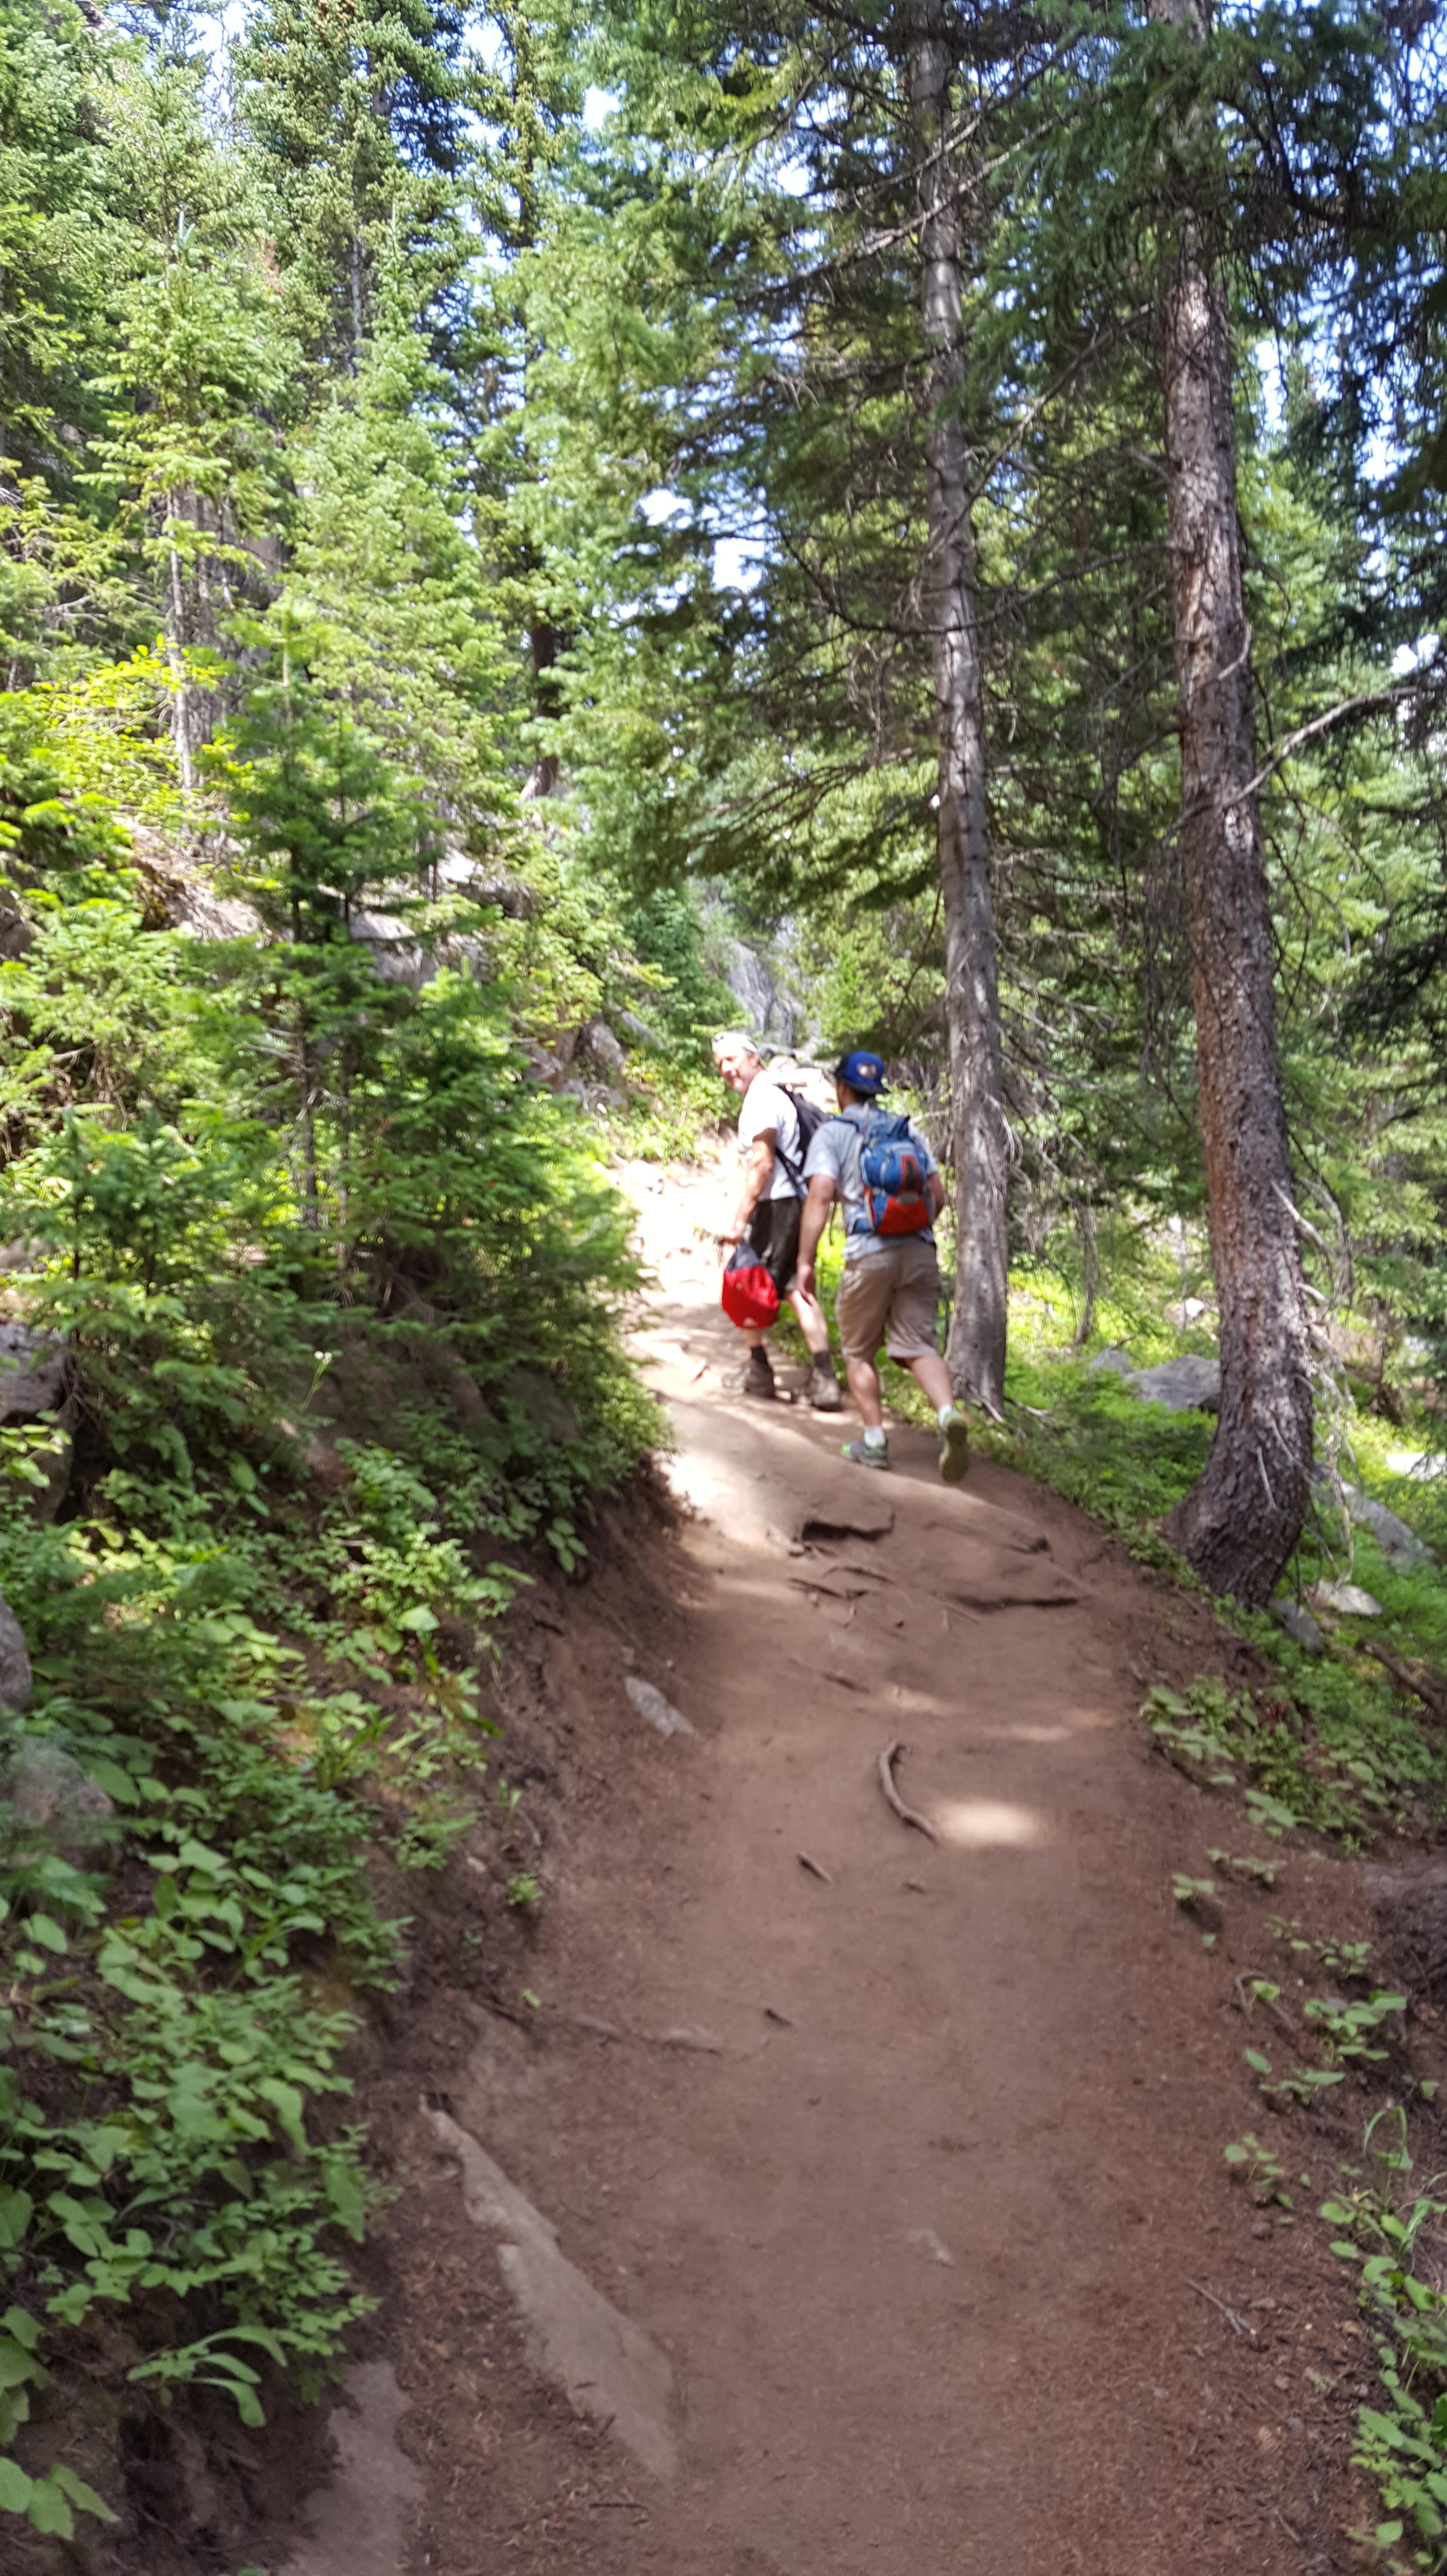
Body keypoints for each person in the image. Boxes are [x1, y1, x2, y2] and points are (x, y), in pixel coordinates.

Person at [796, 1047, 970, 1479]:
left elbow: (820, 1196)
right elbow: (939, 1196)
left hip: (868, 1253)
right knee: (919, 1344)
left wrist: (805, 1260)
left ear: (841, 1089)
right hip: (920, 1251)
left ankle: (874, 1442)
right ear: (877, 1090)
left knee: (858, 1351)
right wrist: (916, 1235)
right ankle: (948, 1415)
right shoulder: (906, 1131)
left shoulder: (832, 1134)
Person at [711, 1030, 842, 1409]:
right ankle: (824, 1378)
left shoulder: (762, 1098)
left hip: (779, 1205)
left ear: (754, 1058)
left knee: (746, 1282)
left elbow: (763, 1162)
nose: (726, 1068)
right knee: (795, 1287)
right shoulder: (779, 1093)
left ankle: (760, 1371)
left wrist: (740, 1221)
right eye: (720, 1063)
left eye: (732, 1059)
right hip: (800, 1202)